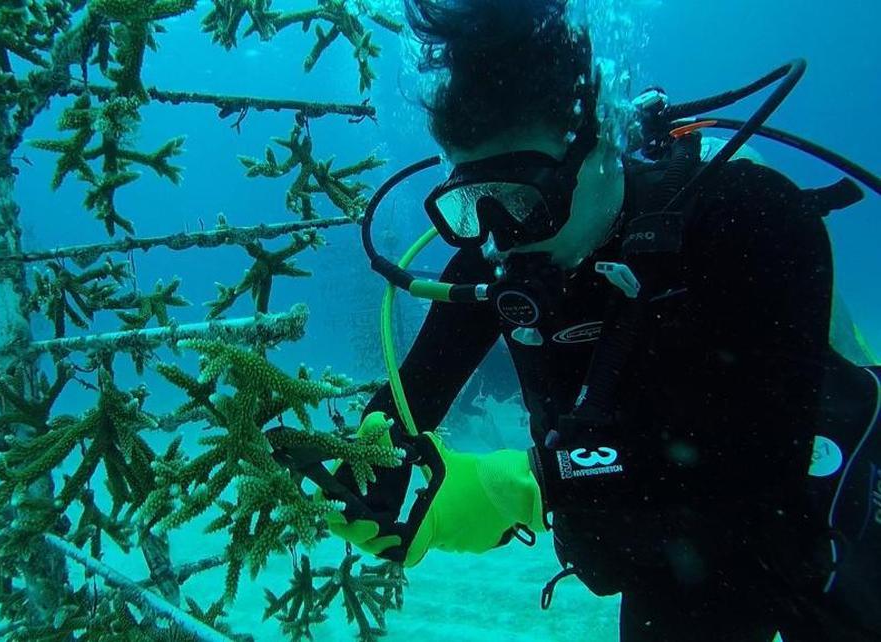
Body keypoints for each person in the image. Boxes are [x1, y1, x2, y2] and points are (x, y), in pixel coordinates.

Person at [315, 1, 881, 640]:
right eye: (475, 201)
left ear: (602, 142)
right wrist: (367, 467)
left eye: (525, 192)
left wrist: (524, 487)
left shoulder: (749, 220)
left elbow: (759, 485)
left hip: (819, 527)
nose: (501, 238)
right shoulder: (497, 250)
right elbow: (407, 404)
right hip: (670, 565)